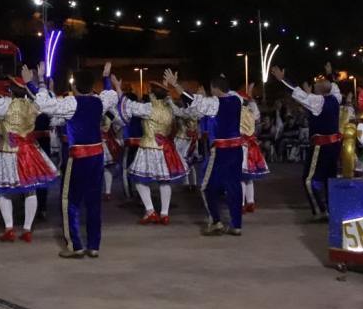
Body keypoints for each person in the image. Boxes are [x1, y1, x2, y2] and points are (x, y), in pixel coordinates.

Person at [0, 63, 59, 243]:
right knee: (30, 191)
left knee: (3, 191)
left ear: (11, 90)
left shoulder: (4, 105)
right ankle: (27, 229)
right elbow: (46, 99)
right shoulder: (33, 105)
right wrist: (38, 81)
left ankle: (9, 228)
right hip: (29, 151)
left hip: (8, 152)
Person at [33, 62, 118, 258]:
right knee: (94, 202)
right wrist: (106, 77)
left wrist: (40, 82)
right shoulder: (99, 102)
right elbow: (111, 94)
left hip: (79, 157)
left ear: (74, 87)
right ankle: (94, 246)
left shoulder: (72, 103)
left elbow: (44, 106)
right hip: (97, 156)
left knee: (69, 201)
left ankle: (75, 245)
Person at [166, 70, 244, 236]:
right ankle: (236, 224)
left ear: (215, 89)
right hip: (237, 149)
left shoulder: (215, 103)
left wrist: (175, 85)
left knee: (206, 187)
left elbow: (192, 100)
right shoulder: (237, 99)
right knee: (234, 187)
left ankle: (216, 221)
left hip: (221, 151)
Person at [271, 64, 341, 219]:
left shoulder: (317, 102)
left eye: (316, 84)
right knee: (330, 178)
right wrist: (329, 75)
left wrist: (283, 80)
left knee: (310, 179)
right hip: (334, 145)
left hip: (320, 146)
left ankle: (320, 210)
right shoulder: (336, 98)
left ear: (320, 91)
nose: (313, 85)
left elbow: (297, 93)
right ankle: (331, 209)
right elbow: (334, 86)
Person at [113, 79, 187, 224]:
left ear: (151, 93)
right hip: (166, 148)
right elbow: (181, 112)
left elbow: (126, 104)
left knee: (139, 180)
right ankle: (164, 213)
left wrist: (117, 87)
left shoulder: (148, 108)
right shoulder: (170, 108)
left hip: (148, 147)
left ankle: (150, 210)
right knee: (165, 181)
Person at [239, 87, 269, 212]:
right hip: (252, 146)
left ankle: (240, 203)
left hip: (241, 145)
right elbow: (257, 112)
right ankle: (250, 202)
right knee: (249, 177)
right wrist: (251, 98)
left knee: (240, 177)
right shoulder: (252, 112)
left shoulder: (237, 112)